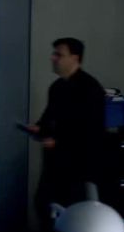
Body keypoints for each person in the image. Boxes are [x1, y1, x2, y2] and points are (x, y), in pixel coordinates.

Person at [25, 37, 105, 220]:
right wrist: (38, 129)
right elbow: (48, 119)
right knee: (44, 206)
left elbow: (90, 132)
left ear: (75, 58)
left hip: (78, 167)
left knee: (73, 215)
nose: (53, 58)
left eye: (59, 55)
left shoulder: (90, 88)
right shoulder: (57, 87)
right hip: (55, 164)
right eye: (54, 54)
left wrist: (57, 141)